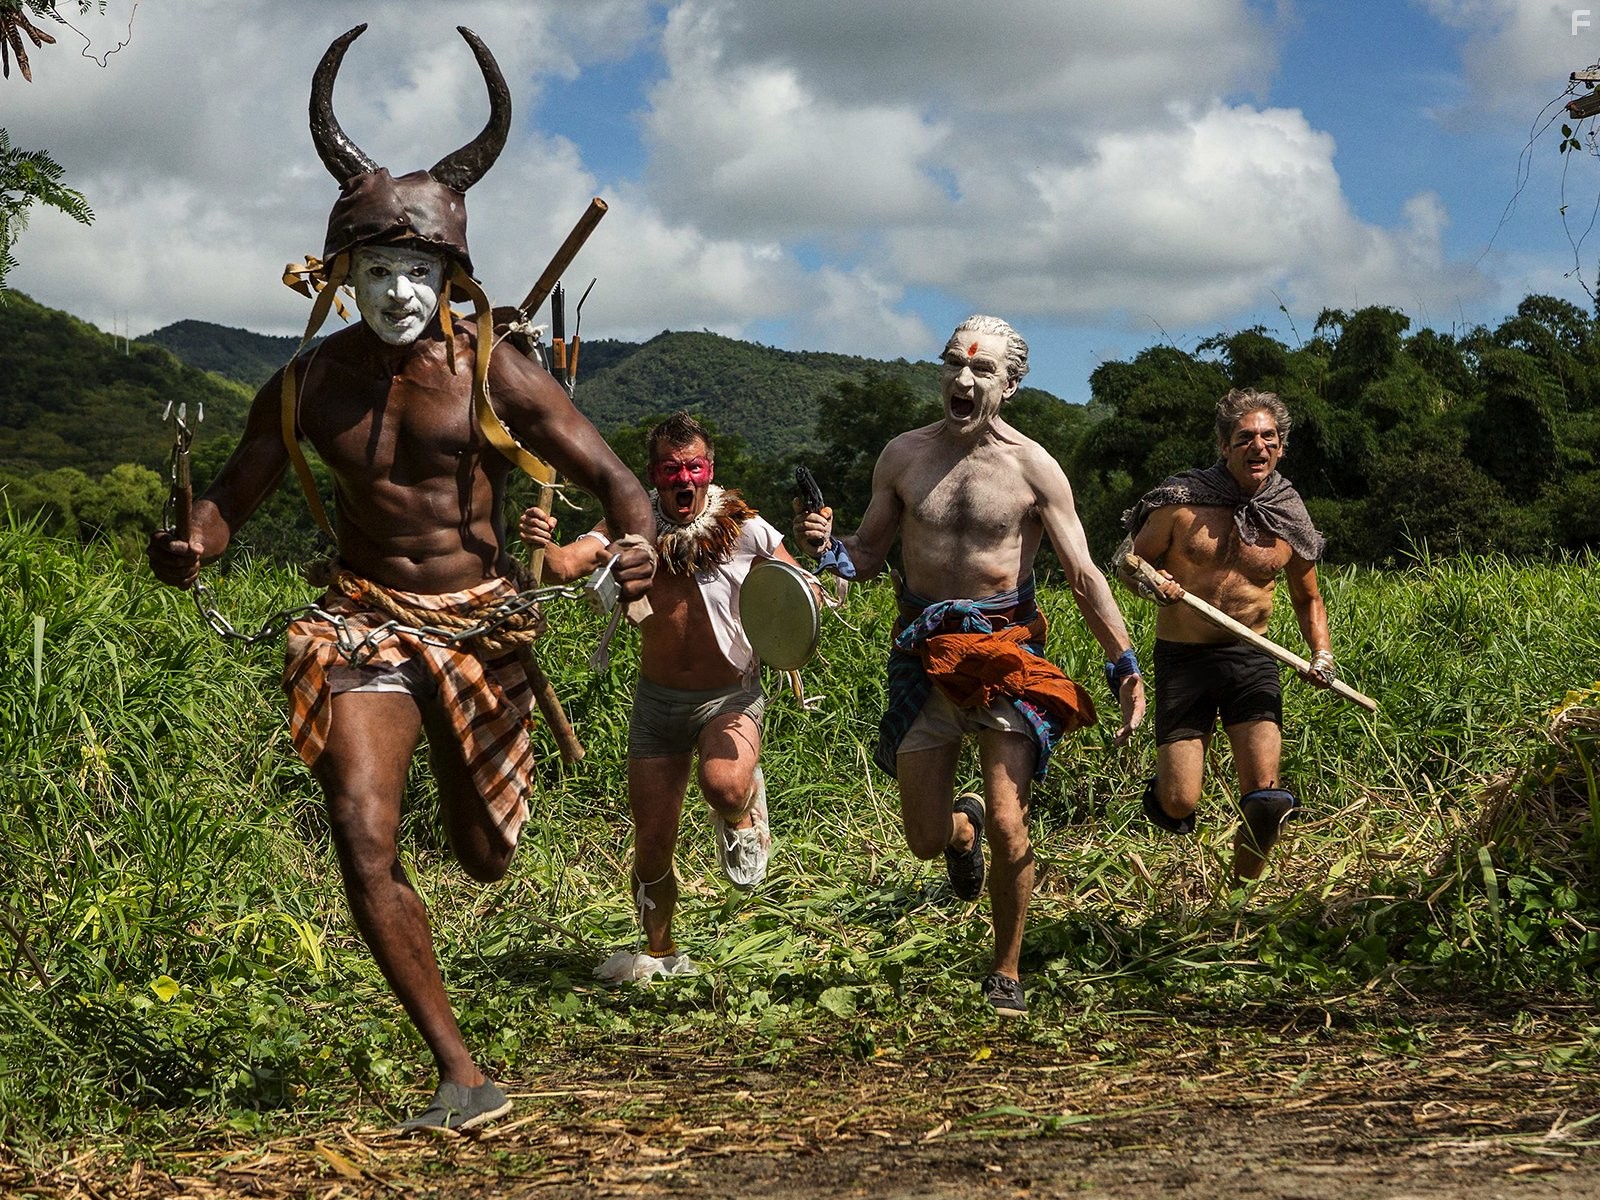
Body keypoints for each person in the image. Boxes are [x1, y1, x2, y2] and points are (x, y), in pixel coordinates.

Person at [147, 26, 656, 1132]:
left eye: (417, 273)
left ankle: (480, 834)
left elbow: (618, 479)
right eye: (376, 273)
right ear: (340, 277)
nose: (398, 293)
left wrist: (638, 538)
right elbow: (230, 499)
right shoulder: (305, 383)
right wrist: (191, 543)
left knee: (479, 855)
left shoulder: (493, 372)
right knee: (360, 830)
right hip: (363, 622)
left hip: (480, 623)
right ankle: (462, 1075)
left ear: (449, 276)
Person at [794, 315, 1145, 1018]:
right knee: (923, 840)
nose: (962, 378)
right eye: (953, 363)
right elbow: (866, 556)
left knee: (1014, 821)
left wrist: (1125, 664)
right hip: (924, 654)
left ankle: (1007, 971)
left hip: (1005, 654)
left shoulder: (1034, 469)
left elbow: (1082, 575)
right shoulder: (902, 456)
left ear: (1010, 385)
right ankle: (962, 829)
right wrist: (826, 548)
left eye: (981, 370)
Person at [521, 411, 807, 979]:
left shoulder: (745, 527)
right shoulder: (631, 525)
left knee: (723, 785)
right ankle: (658, 951)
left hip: (731, 695)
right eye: (670, 469)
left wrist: (816, 570)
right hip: (658, 703)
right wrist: (542, 543)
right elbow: (564, 565)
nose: (683, 478)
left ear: (709, 470)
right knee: (652, 841)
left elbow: (798, 590)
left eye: (693, 467)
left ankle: (744, 808)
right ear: (653, 476)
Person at [1120, 388, 1337, 883]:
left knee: (1266, 801)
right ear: (1224, 446)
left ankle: (1238, 898)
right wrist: (1151, 583)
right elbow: (1129, 563)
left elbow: (1308, 598)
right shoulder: (1182, 502)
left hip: (1252, 659)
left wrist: (1320, 655)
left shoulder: (1287, 513)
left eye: (1268, 437)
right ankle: (1165, 800)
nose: (1257, 446)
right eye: (1244, 438)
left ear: (1280, 447)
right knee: (1179, 801)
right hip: (1184, 658)